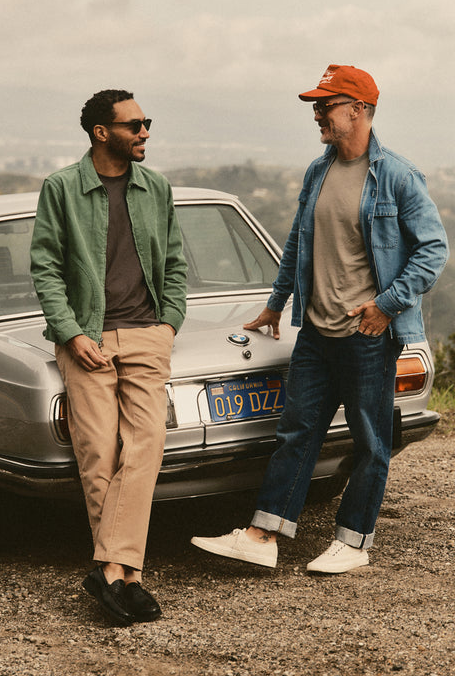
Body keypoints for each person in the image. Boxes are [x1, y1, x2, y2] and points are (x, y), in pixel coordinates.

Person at [191, 65, 449, 573]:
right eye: (317, 105)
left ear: (358, 110)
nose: (316, 114)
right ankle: (263, 535)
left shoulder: (396, 175)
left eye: (325, 105)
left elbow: (433, 250)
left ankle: (353, 543)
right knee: (297, 432)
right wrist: (275, 305)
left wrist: (385, 305)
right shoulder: (319, 170)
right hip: (315, 330)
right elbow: (296, 244)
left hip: (366, 336)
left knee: (370, 440)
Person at [30, 89, 187, 624]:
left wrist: (168, 325)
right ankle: (126, 579)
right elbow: (46, 268)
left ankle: (113, 572)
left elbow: (175, 262)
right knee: (98, 454)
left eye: (147, 123)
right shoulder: (62, 189)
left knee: (145, 448)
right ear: (103, 132)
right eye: (135, 125)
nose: (145, 132)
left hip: (146, 335)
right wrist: (72, 334)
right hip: (86, 338)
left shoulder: (156, 188)